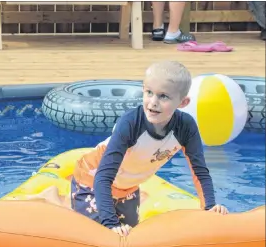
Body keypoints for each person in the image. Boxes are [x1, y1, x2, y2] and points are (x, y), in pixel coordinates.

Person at [29, 61, 229, 236]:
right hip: (91, 180)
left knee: (133, 236)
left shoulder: (186, 127)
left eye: (164, 96)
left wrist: (209, 207)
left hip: (127, 189)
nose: (153, 102)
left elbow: (199, 171)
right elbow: (104, 175)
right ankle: (55, 200)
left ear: (183, 102)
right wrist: (110, 223)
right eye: (149, 92)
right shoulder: (131, 124)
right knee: (102, 234)